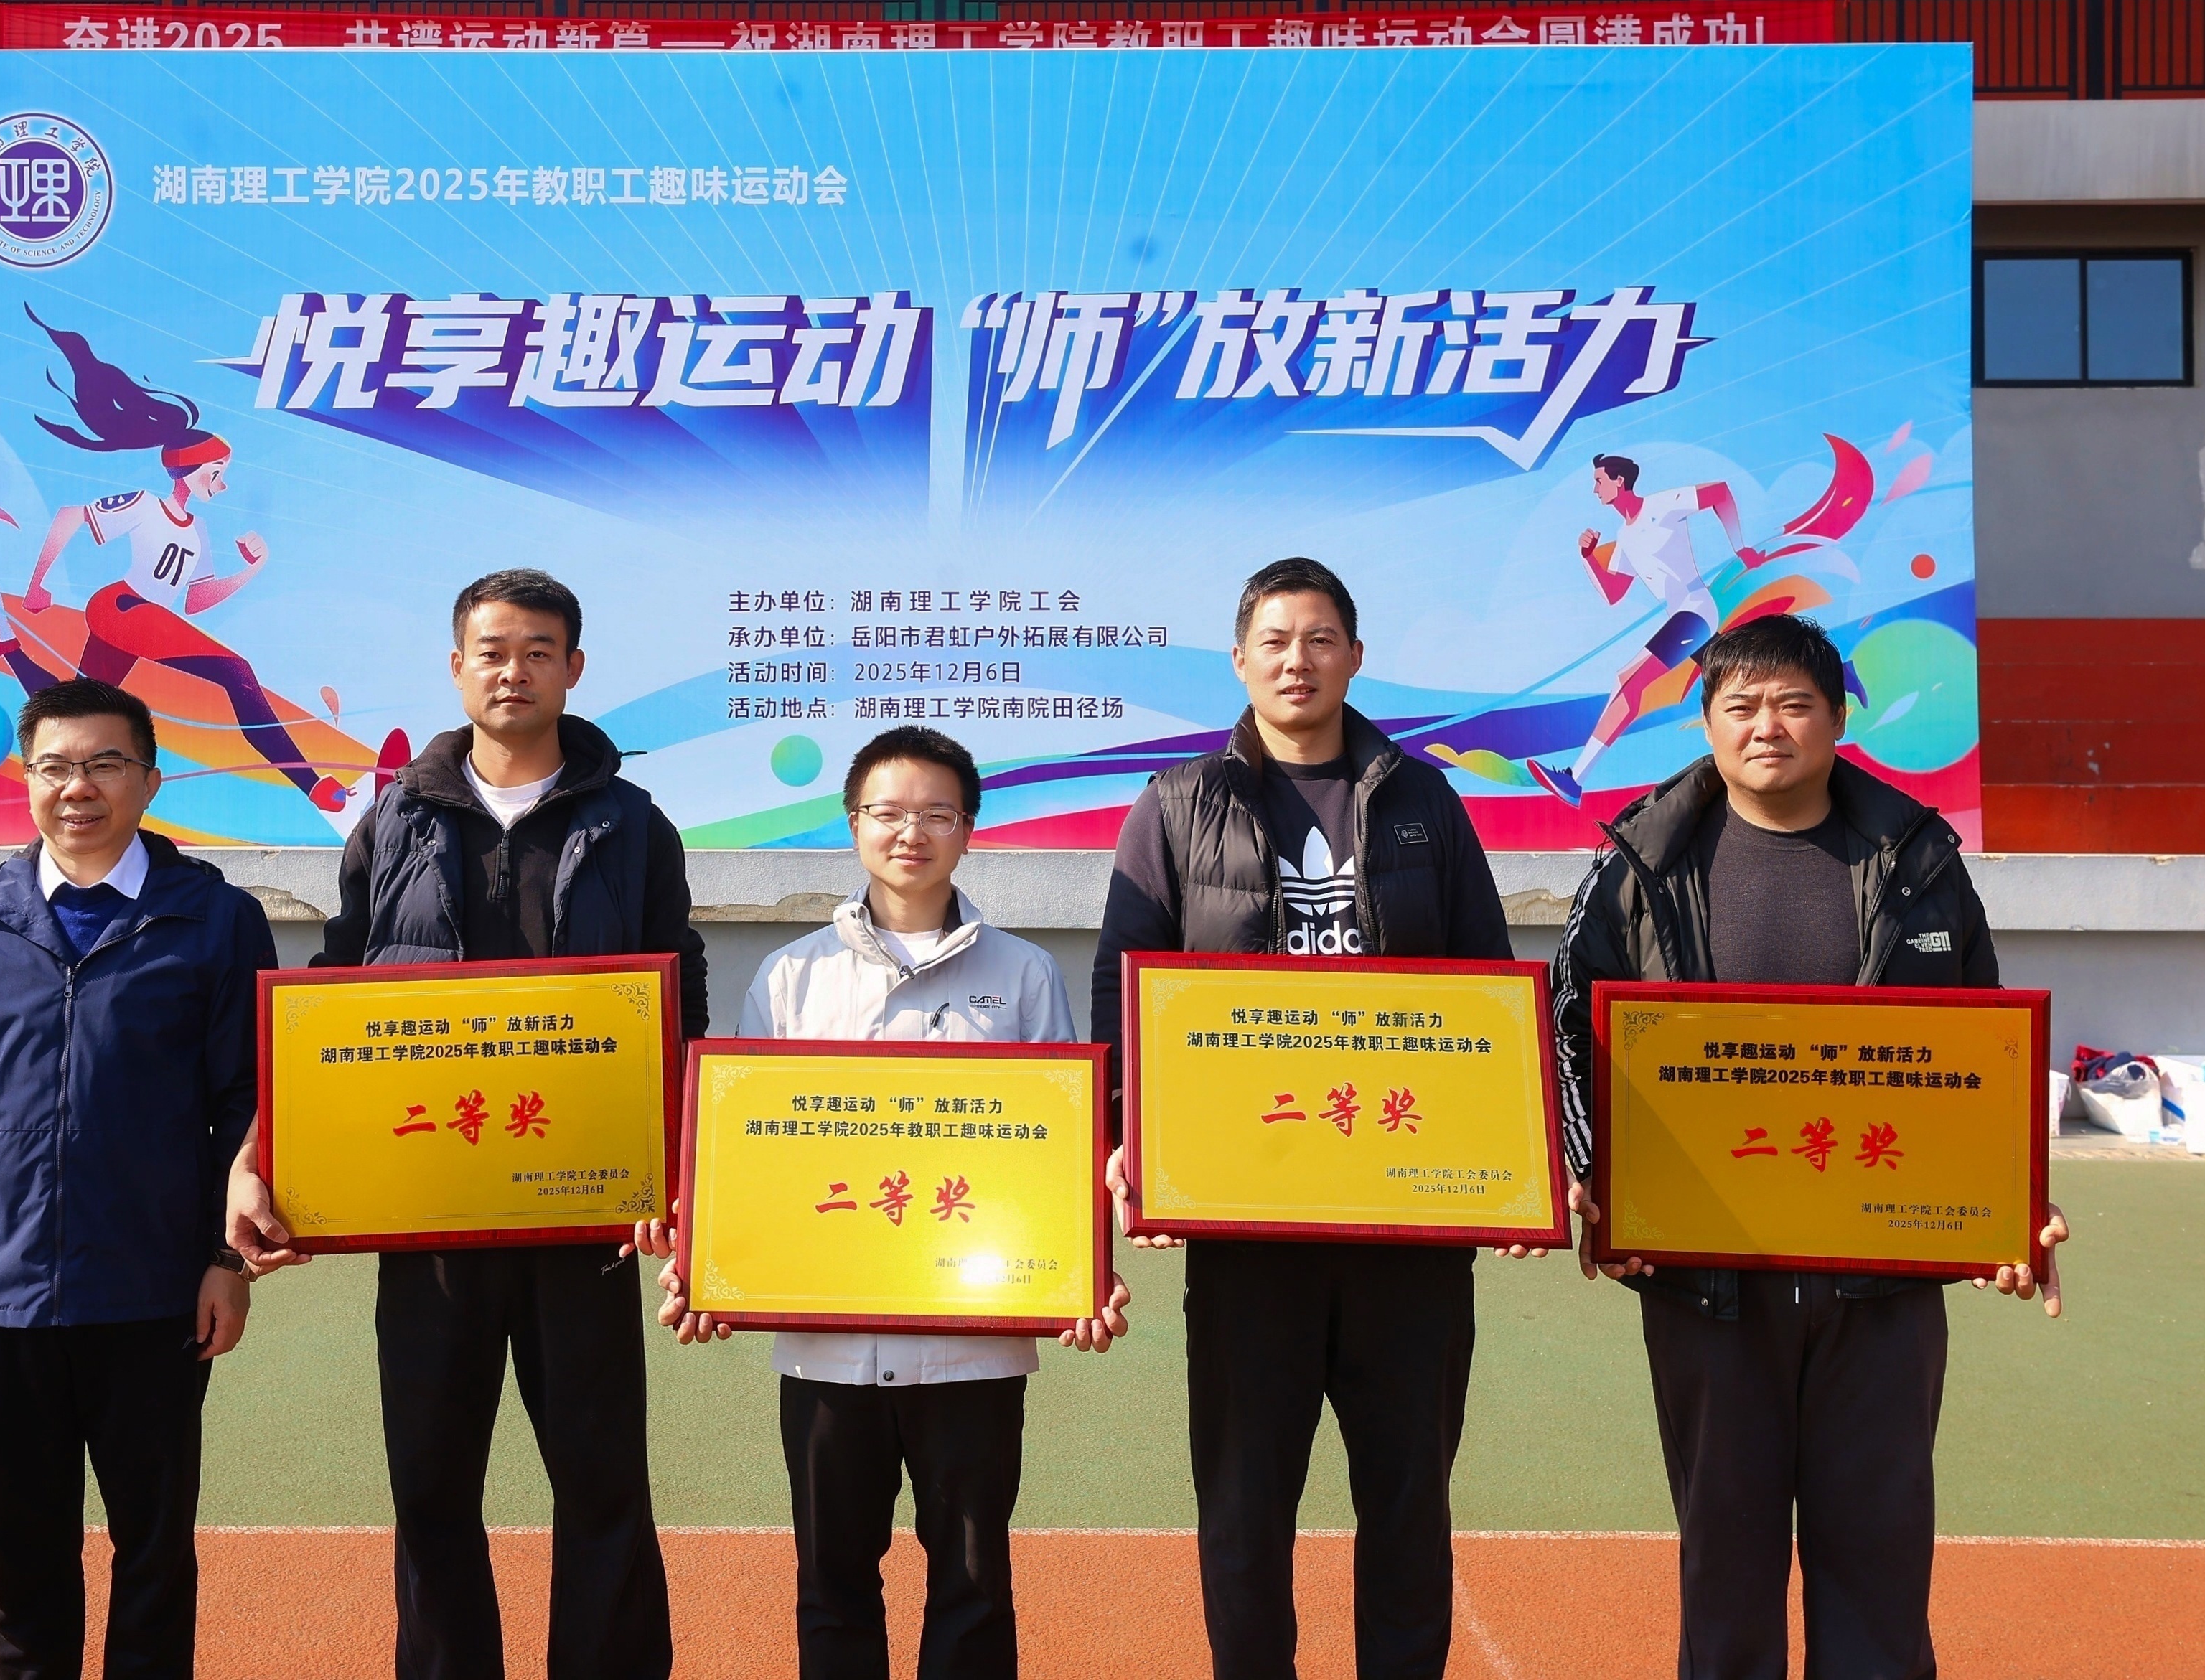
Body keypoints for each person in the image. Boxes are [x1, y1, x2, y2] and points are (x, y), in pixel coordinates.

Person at [1546, 612, 2069, 1680]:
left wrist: (2013, 1205)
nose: (1766, 727)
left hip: (1881, 1285)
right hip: (1705, 1277)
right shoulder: (1639, 861)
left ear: (1836, 718)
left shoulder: (1918, 859)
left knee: (1878, 1566)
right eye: (1739, 705)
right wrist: (1589, 1172)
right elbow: (1565, 1029)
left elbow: (1983, 1052)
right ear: (1705, 724)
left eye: (1792, 704)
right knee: (1725, 1572)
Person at [226, 567, 708, 1680]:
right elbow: (334, 991)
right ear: (456, 668)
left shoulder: (635, 826)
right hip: (430, 1214)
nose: (513, 671)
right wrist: (261, 1154)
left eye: (538, 651)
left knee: (603, 1485)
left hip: (583, 1215)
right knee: (432, 1489)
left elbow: (678, 1001)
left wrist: (681, 1169)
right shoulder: (395, 819)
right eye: (493, 651)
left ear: (573, 669)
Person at [1090, 556, 1520, 1680]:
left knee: (1409, 1505)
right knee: (1244, 1510)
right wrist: (1127, 1136)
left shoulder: (1422, 799)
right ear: (1239, 660)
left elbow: (1486, 983)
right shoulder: (1176, 804)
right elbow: (1123, 985)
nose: (1298, 660)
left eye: (1320, 638)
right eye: (1275, 641)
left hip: (1406, 1226)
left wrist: (1510, 1160)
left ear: (1355, 657)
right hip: (1248, 1224)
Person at [654, 726, 1132, 1680]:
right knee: (832, 1581)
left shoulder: (1024, 973)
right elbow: (746, 1158)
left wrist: (1084, 1278)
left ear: (969, 830)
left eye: (935, 813)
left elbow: (1061, 1153)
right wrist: (705, 1267)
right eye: (887, 812)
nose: (910, 832)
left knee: (973, 1583)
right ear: (853, 824)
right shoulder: (791, 975)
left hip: (974, 1345)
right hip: (826, 1347)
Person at [0, 677, 276, 1680]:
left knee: (154, 1557)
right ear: (26, 779)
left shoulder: (215, 919)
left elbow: (247, 1101)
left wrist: (224, 1260)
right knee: (22, 1567)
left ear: (150, 779)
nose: (79, 787)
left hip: (154, 1292)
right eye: (56, 766)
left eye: (106, 763)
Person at [0, 307, 350, 812]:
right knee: (235, 670)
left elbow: (196, 601)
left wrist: (251, 569)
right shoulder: (146, 506)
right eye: (217, 472)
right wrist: (38, 582)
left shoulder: (198, 532)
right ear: (189, 470)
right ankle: (312, 784)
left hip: (144, 618)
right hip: (123, 608)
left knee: (80, 707)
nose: (223, 484)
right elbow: (69, 515)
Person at [1528, 453, 1766, 808]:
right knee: (1740, 680)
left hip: (1694, 612)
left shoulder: (1662, 506)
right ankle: (1838, 678)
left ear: (1619, 481)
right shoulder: (1625, 536)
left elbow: (1720, 492)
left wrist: (1740, 547)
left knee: (1628, 681)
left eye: (1599, 481)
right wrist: (1589, 558)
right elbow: (1613, 593)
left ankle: (1575, 780)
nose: (1595, 489)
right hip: (1681, 618)